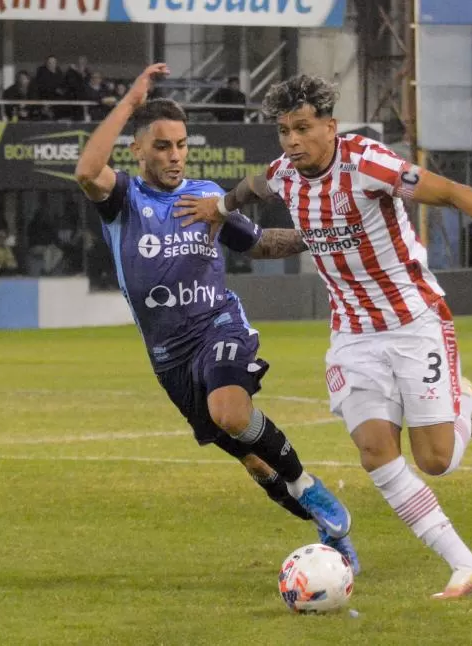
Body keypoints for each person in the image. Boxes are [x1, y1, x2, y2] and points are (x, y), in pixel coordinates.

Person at [175, 74, 472, 599]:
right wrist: (221, 208)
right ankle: (466, 567)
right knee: (374, 451)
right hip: (353, 336)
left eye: (303, 128)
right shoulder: (285, 173)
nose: (292, 141)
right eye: (284, 131)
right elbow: (255, 186)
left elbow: (451, 192)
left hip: (414, 323)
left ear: (330, 126)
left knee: (434, 461)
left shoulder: (368, 163)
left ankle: (464, 399)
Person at [73, 64, 359, 571]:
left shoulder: (205, 197)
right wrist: (128, 104)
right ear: (137, 150)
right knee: (254, 462)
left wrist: (326, 235)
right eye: (162, 145)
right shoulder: (124, 201)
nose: (175, 155)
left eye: (182, 144)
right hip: (169, 358)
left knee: (231, 412)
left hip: (218, 327)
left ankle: (312, 493)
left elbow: (261, 243)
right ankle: (332, 537)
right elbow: (86, 171)